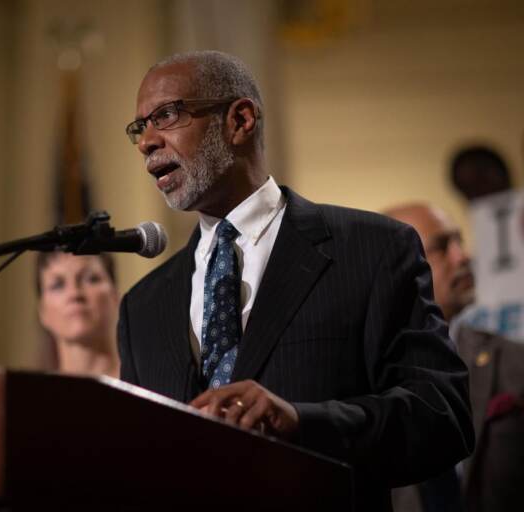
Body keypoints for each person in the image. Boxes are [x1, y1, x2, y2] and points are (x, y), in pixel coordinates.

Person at [117, 50, 474, 510]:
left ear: (240, 120)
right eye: (138, 128)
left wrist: (304, 423)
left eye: (165, 115)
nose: (147, 142)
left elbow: (443, 417)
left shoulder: (371, 250)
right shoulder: (142, 307)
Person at [386, 203, 524, 512]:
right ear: (390, 267)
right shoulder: (355, 377)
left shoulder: (516, 362)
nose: (463, 256)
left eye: (460, 242)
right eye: (442, 246)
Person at [35, 251, 120, 378]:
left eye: (90, 279)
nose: (74, 293)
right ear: (42, 311)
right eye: (58, 285)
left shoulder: (147, 383)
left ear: (115, 297)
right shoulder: (34, 395)